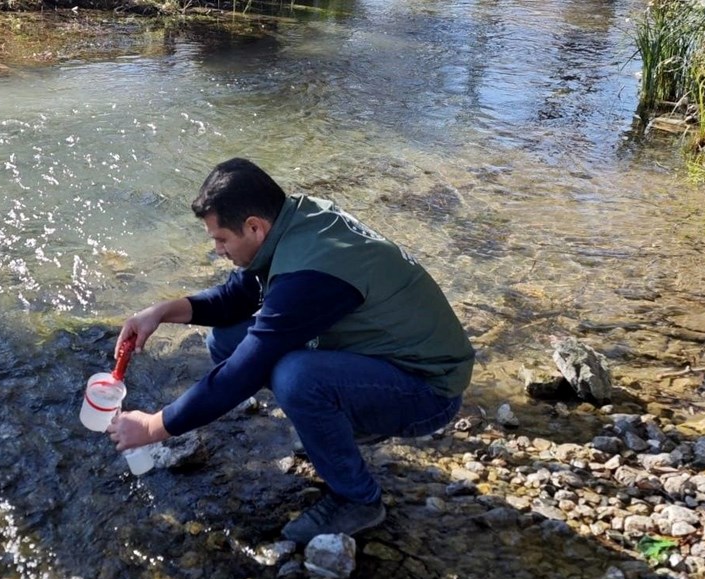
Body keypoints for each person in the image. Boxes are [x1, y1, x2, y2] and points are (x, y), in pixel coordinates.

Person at [106, 158, 475, 544]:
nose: (217, 250)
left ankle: (358, 499)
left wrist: (153, 427)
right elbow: (237, 297)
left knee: (297, 378)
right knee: (225, 340)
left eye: (220, 239)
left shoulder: (309, 274)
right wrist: (161, 312)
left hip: (429, 390)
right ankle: (345, 425)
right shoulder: (292, 221)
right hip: (385, 357)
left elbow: (242, 373)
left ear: (254, 227)